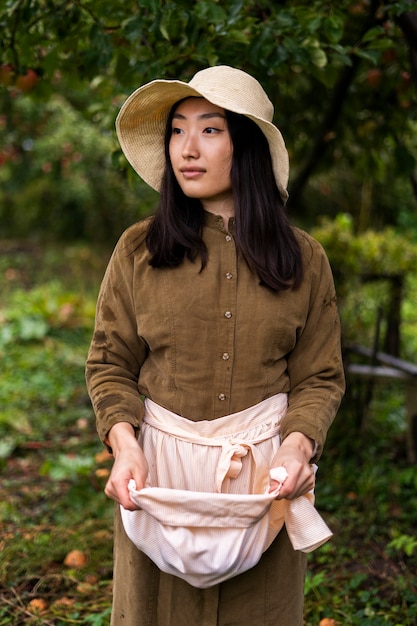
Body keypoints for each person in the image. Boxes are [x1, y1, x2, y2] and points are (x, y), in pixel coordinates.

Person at [86, 65, 345, 626]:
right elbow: (110, 363)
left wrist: (298, 447)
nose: (187, 148)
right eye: (177, 131)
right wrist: (126, 445)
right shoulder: (139, 250)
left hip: (259, 483)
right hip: (159, 477)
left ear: (246, 146)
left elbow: (319, 377)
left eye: (209, 129)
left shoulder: (303, 259)